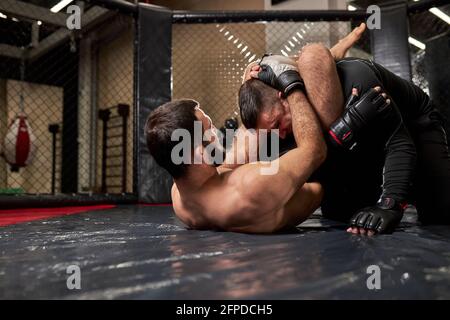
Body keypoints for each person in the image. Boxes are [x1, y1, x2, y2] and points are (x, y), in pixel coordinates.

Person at [238, 52, 450, 235]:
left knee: (440, 212)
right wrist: (342, 130)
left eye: (277, 123)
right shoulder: (275, 132)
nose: (280, 135)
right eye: (271, 131)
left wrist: (390, 204)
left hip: (415, 126)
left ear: (284, 96)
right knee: (341, 214)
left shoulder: (355, 77)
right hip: (365, 142)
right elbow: (306, 169)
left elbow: (398, 142)